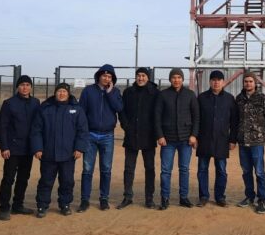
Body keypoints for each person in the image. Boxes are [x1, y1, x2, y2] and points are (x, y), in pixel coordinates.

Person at [31, 83, 89, 218]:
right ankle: (42, 205)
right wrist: (38, 148)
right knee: (46, 180)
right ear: (55, 93)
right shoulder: (45, 109)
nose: (61, 94)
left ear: (68, 94)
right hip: (48, 153)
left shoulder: (76, 110)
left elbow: (82, 131)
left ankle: (65, 204)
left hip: (68, 154)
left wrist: (79, 148)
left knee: (67, 181)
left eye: (64, 91)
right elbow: (36, 130)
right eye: (59, 91)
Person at [78, 64, 123, 212]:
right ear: (99, 76)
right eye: (104, 76)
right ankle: (84, 200)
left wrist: (109, 93)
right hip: (90, 135)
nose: (106, 78)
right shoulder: (88, 91)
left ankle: (104, 198)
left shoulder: (115, 92)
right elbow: (81, 113)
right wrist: (83, 132)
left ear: (112, 79)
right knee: (87, 169)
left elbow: (119, 108)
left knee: (106, 169)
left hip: (107, 135)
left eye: (109, 76)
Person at [154, 67, 199, 210]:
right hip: (168, 140)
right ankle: (165, 198)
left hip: (186, 140)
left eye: (179, 77)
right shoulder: (163, 95)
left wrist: (193, 135)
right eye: (174, 77)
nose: (176, 80)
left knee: (184, 169)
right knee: (165, 171)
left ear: (182, 79)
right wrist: (160, 136)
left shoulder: (190, 95)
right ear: (170, 79)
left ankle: (183, 197)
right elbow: (157, 117)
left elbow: (197, 117)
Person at [0, 74, 40, 220]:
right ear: (17, 87)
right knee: (8, 178)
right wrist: (4, 147)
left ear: (31, 87)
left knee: (24, 177)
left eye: (28, 85)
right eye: (22, 85)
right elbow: (2, 126)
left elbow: (38, 126)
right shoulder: (9, 103)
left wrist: (37, 146)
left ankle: (18, 205)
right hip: (12, 148)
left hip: (28, 148)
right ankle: (4, 207)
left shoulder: (35, 102)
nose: (25, 87)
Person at [118, 67, 160, 209]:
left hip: (148, 137)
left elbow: (158, 114)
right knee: (129, 168)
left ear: (148, 77)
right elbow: (122, 112)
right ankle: (127, 196)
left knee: (149, 168)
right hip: (131, 136)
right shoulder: (128, 92)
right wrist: (126, 126)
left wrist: (155, 131)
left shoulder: (155, 93)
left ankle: (149, 198)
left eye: (143, 75)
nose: (140, 78)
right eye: (138, 75)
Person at [196, 70, 238, 207]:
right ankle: (203, 196)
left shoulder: (229, 99)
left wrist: (232, 140)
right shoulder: (201, 98)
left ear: (223, 82)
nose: (216, 82)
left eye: (219, 80)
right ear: (209, 82)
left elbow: (234, 121)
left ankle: (220, 196)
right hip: (204, 139)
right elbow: (196, 119)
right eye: (213, 80)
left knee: (221, 170)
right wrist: (195, 137)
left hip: (222, 140)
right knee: (202, 169)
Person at [235, 72, 265, 214]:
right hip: (243, 142)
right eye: (246, 81)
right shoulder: (239, 99)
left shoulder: (263, 99)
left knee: (259, 171)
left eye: (251, 81)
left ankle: (261, 199)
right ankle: (249, 196)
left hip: (257, 142)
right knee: (246, 171)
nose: (248, 84)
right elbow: (236, 119)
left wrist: (262, 133)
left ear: (255, 83)